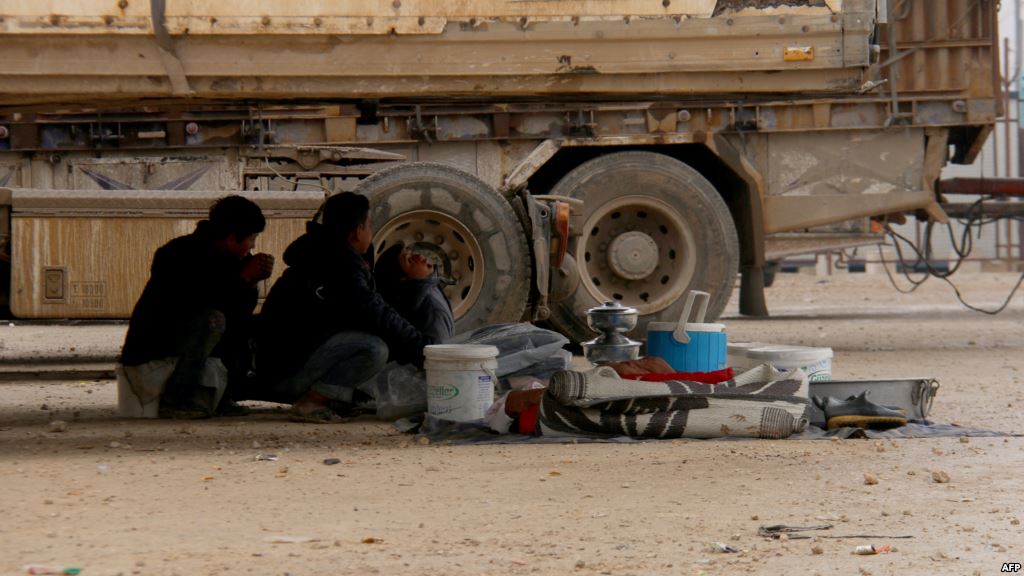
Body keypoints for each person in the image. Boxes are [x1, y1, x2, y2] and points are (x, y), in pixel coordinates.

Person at [254, 192, 434, 422]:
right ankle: (312, 403)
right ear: (358, 231)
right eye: (369, 226)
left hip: (280, 368)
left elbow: (376, 309)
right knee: (373, 348)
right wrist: (424, 348)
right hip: (285, 376)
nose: (371, 232)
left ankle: (329, 397)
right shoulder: (340, 266)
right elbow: (377, 314)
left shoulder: (322, 255)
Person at [118, 195, 274, 418]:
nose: (253, 246)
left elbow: (237, 314)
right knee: (214, 321)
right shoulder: (179, 254)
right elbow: (194, 308)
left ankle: (223, 396)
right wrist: (241, 279)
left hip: (180, 351)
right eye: (250, 239)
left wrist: (250, 282)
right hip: (152, 356)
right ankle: (176, 401)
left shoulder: (228, 261)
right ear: (231, 238)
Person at [373, 241, 454, 345]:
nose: (420, 256)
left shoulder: (427, 289)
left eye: (411, 254)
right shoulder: (433, 311)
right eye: (410, 260)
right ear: (404, 279)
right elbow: (438, 352)